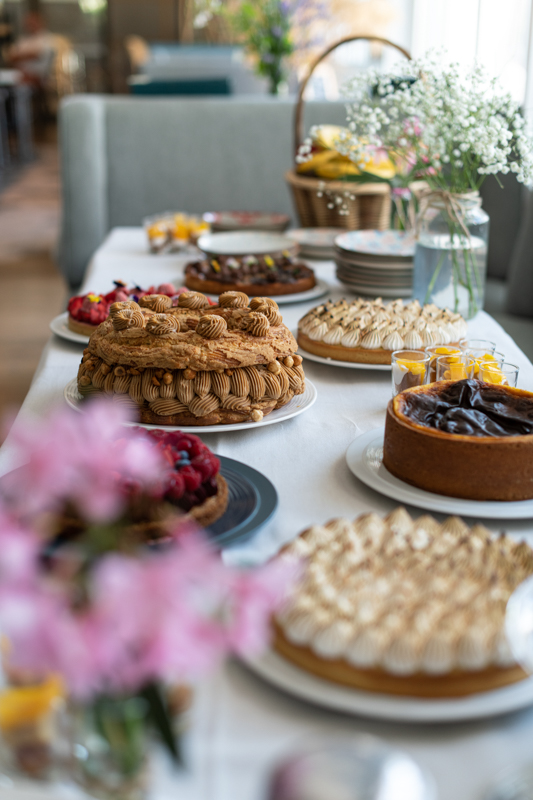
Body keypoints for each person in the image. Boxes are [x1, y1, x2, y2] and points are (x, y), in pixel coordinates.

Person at [5, 11, 55, 88]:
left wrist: (19, 57)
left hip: (38, 78)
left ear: (41, 22)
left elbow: (37, 55)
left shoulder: (48, 39)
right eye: (28, 22)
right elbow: (10, 58)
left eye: (33, 22)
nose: (30, 25)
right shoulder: (22, 40)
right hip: (17, 74)